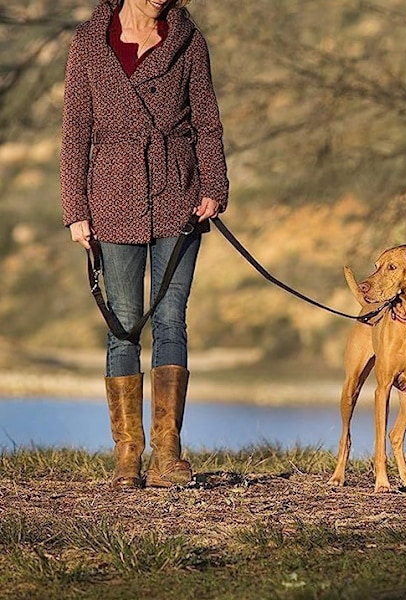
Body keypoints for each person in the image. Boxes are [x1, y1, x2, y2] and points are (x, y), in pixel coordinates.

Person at [60, 0, 229, 489]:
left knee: (172, 319)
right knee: (125, 325)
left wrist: (215, 188)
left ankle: (168, 453)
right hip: (111, 195)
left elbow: (208, 123)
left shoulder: (189, 41)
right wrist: (76, 210)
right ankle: (128, 454)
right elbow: (75, 132)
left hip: (179, 194)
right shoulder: (89, 44)